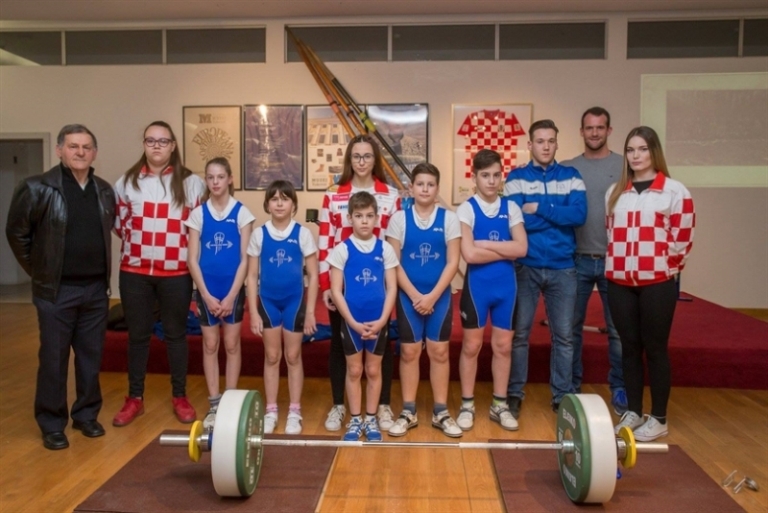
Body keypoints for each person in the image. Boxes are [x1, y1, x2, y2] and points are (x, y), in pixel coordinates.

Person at [5, 124, 116, 450]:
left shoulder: (103, 190)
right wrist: (41, 272)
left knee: (90, 359)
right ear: (59, 150)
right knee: (54, 360)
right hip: (56, 293)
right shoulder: (37, 188)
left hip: (95, 291)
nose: (80, 152)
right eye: (73, 146)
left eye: (86, 147)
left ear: (94, 153)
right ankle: (52, 423)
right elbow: (17, 234)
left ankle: (86, 415)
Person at [112, 121, 205, 427]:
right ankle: (134, 398)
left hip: (176, 273)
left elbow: (198, 228)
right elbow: (120, 225)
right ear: (144, 144)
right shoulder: (126, 182)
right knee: (137, 336)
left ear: (173, 145)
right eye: (150, 140)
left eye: (163, 141)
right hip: (134, 272)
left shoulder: (192, 183)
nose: (156, 146)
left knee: (176, 335)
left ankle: (180, 396)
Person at [608, 126, 695, 442]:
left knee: (655, 348)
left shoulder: (675, 191)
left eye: (642, 149)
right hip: (619, 283)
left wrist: (661, 268)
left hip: (657, 284)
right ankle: (633, 411)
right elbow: (610, 234)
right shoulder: (615, 192)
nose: (636, 156)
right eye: (630, 150)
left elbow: (683, 240)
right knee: (629, 347)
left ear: (654, 151)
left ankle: (658, 418)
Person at [317, 134, 401, 432]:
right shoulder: (333, 195)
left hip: (378, 287)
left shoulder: (391, 195)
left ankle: (382, 406)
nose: (362, 161)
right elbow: (325, 241)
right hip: (343, 287)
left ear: (375, 160)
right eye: (356, 156)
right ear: (349, 160)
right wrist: (326, 286)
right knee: (340, 345)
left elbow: (395, 241)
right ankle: (340, 406)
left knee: (382, 345)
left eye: (367, 156)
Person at [504, 119, 587, 419]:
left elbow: (579, 215)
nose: (546, 146)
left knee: (564, 337)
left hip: (563, 267)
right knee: (520, 335)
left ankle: (561, 396)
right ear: (530, 144)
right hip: (526, 266)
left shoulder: (571, 176)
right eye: (540, 141)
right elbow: (516, 221)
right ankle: (515, 393)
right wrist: (556, 215)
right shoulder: (516, 177)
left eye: (551, 141)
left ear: (556, 143)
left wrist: (539, 208)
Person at [385, 163, 462, 438]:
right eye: (420, 184)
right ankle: (408, 411)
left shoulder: (449, 219)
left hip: (438, 296)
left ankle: (441, 411)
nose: (425, 189)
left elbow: (453, 262)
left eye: (430, 185)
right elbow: (393, 262)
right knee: (409, 352)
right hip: (409, 298)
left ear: (437, 188)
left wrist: (432, 296)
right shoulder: (399, 219)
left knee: (439, 352)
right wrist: (417, 296)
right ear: (411, 188)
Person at [561, 107, 627, 416]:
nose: (595, 133)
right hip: (577, 260)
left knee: (618, 331)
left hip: (615, 260)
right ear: (581, 132)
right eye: (589, 128)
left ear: (609, 131)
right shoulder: (568, 168)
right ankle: (571, 388)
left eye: (600, 127)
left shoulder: (625, 166)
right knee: (570, 329)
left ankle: (620, 387)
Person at [456, 149, 528, 432]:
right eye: (485, 175)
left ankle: (500, 404)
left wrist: (484, 243)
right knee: (471, 346)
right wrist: (505, 249)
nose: (491, 181)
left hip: (506, 289)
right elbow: (469, 255)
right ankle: (467, 405)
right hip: (478, 289)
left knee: (503, 347)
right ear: (474, 177)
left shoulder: (511, 208)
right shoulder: (467, 209)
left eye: (496, 175)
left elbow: (522, 248)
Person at [186, 157, 255, 430]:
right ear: (206, 180)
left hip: (232, 291)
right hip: (207, 291)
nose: (215, 182)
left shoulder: (242, 213)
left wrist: (231, 295)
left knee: (232, 344)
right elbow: (192, 260)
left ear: (230, 179)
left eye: (220, 177)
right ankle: (215, 403)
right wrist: (204, 294)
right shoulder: (198, 214)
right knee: (210, 344)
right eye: (210, 177)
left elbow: (245, 259)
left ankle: (230, 402)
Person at [246, 180, 318, 435]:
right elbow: (251, 276)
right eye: (274, 199)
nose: (279, 204)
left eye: (284, 199)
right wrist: (253, 312)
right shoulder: (259, 234)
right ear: (267, 204)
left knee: (293, 356)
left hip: (294, 303)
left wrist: (310, 312)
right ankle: (271, 410)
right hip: (268, 303)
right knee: (272, 356)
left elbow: (313, 275)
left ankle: (295, 412)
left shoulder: (302, 234)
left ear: (293, 204)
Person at [328, 191, 399, 442]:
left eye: (369, 216)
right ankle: (356, 419)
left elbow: (392, 288)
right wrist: (352, 322)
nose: (365, 221)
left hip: (378, 321)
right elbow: (336, 291)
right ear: (350, 218)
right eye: (359, 216)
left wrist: (382, 321)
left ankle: (370, 418)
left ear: (377, 218)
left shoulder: (385, 249)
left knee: (373, 369)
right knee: (355, 370)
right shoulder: (341, 250)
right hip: (352, 322)